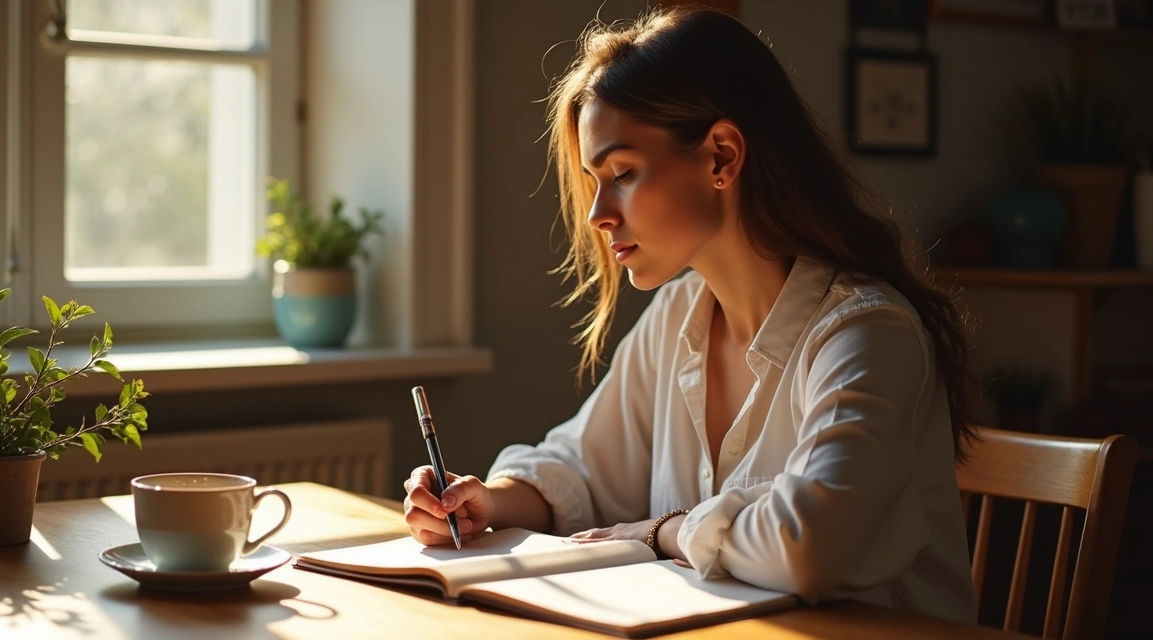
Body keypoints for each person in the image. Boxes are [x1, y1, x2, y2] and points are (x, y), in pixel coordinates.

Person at [402, 5, 979, 624]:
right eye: (596, 180)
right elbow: (584, 468)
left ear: (722, 157)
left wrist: (665, 533)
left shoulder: (866, 332)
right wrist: (487, 500)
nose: (598, 213)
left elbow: (814, 543)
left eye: (622, 172)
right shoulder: (677, 314)